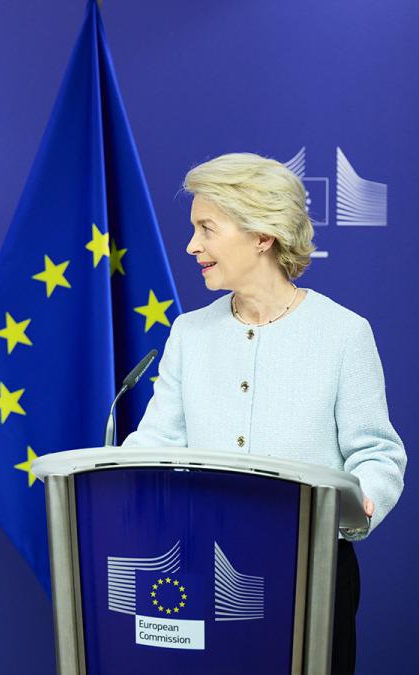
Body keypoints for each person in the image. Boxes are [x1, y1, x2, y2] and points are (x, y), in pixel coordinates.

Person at [123, 152, 405, 674]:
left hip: (312, 568)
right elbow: (159, 440)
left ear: (262, 235)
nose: (192, 245)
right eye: (193, 229)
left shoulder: (344, 334)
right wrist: (111, 481)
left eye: (207, 228)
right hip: (203, 566)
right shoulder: (188, 332)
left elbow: (377, 452)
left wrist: (363, 497)